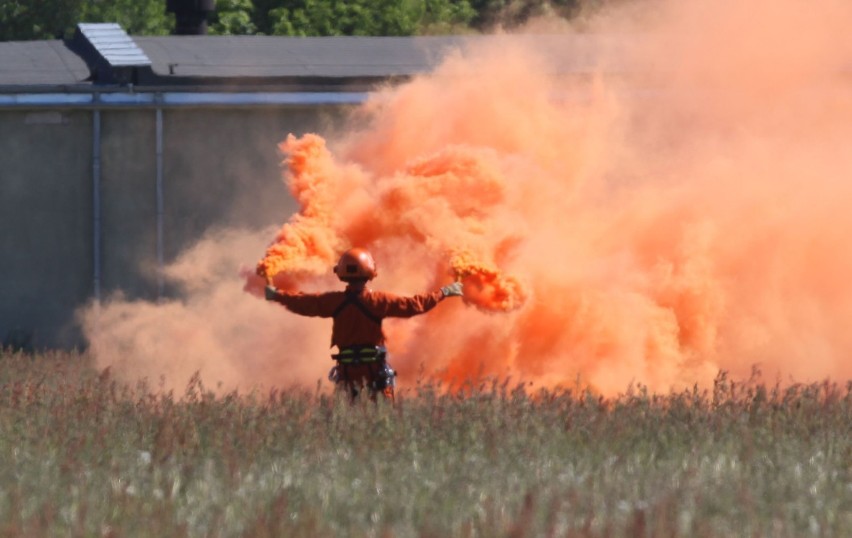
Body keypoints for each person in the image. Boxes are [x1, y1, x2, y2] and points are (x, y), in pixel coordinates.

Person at [264, 247, 463, 400]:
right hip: (375, 372)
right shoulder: (379, 301)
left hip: (347, 373)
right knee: (381, 423)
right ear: (370, 272)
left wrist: (277, 295)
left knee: (348, 423)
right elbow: (414, 306)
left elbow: (305, 303)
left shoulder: (333, 302)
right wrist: (445, 292)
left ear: (341, 272)